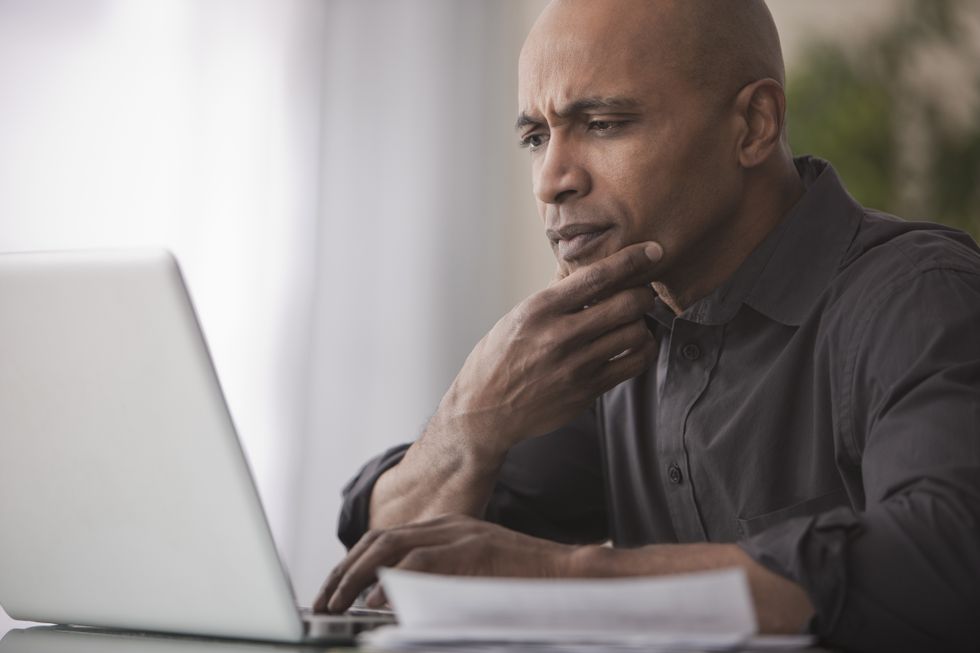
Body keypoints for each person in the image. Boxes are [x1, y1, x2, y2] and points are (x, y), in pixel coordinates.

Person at [314, 1, 980, 650]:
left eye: (602, 122)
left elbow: (948, 557)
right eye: (536, 137)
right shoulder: (621, 336)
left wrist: (563, 574)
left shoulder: (918, 296)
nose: (551, 180)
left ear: (753, 125)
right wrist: (469, 420)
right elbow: (389, 557)